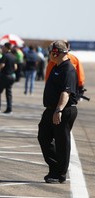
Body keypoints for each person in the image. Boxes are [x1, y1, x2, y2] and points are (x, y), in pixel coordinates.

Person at [37, 40, 78, 184]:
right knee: (43, 136)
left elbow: (66, 92)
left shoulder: (68, 69)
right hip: (51, 109)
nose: (50, 54)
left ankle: (60, 173)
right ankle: (54, 167)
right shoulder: (56, 66)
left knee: (62, 142)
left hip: (62, 110)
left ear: (57, 52)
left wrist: (58, 110)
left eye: (51, 52)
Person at [0, 42, 17, 114]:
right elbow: (15, 67)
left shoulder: (5, 56)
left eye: (3, 47)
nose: (2, 48)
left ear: (6, 47)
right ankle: (9, 109)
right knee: (8, 93)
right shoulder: (13, 56)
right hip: (11, 76)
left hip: (5, 76)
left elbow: (2, 65)